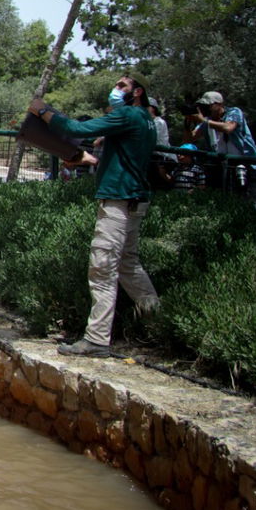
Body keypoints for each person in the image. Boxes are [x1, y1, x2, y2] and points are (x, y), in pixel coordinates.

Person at [28, 74, 161, 358]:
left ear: (138, 92)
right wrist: (90, 160)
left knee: (102, 269)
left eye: (122, 85)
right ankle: (160, 324)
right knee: (129, 265)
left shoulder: (127, 114)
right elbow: (126, 158)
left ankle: (98, 339)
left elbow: (77, 127)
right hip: (136, 200)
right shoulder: (147, 120)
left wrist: (42, 110)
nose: (116, 89)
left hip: (118, 202)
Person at [186, 90, 256, 209]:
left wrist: (204, 121)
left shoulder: (234, 112)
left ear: (220, 104)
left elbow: (228, 128)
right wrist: (187, 124)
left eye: (209, 105)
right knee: (230, 201)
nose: (207, 109)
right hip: (225, 165)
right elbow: (190, 139)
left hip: (248, 163)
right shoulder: (207, 120)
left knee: (254, 201)